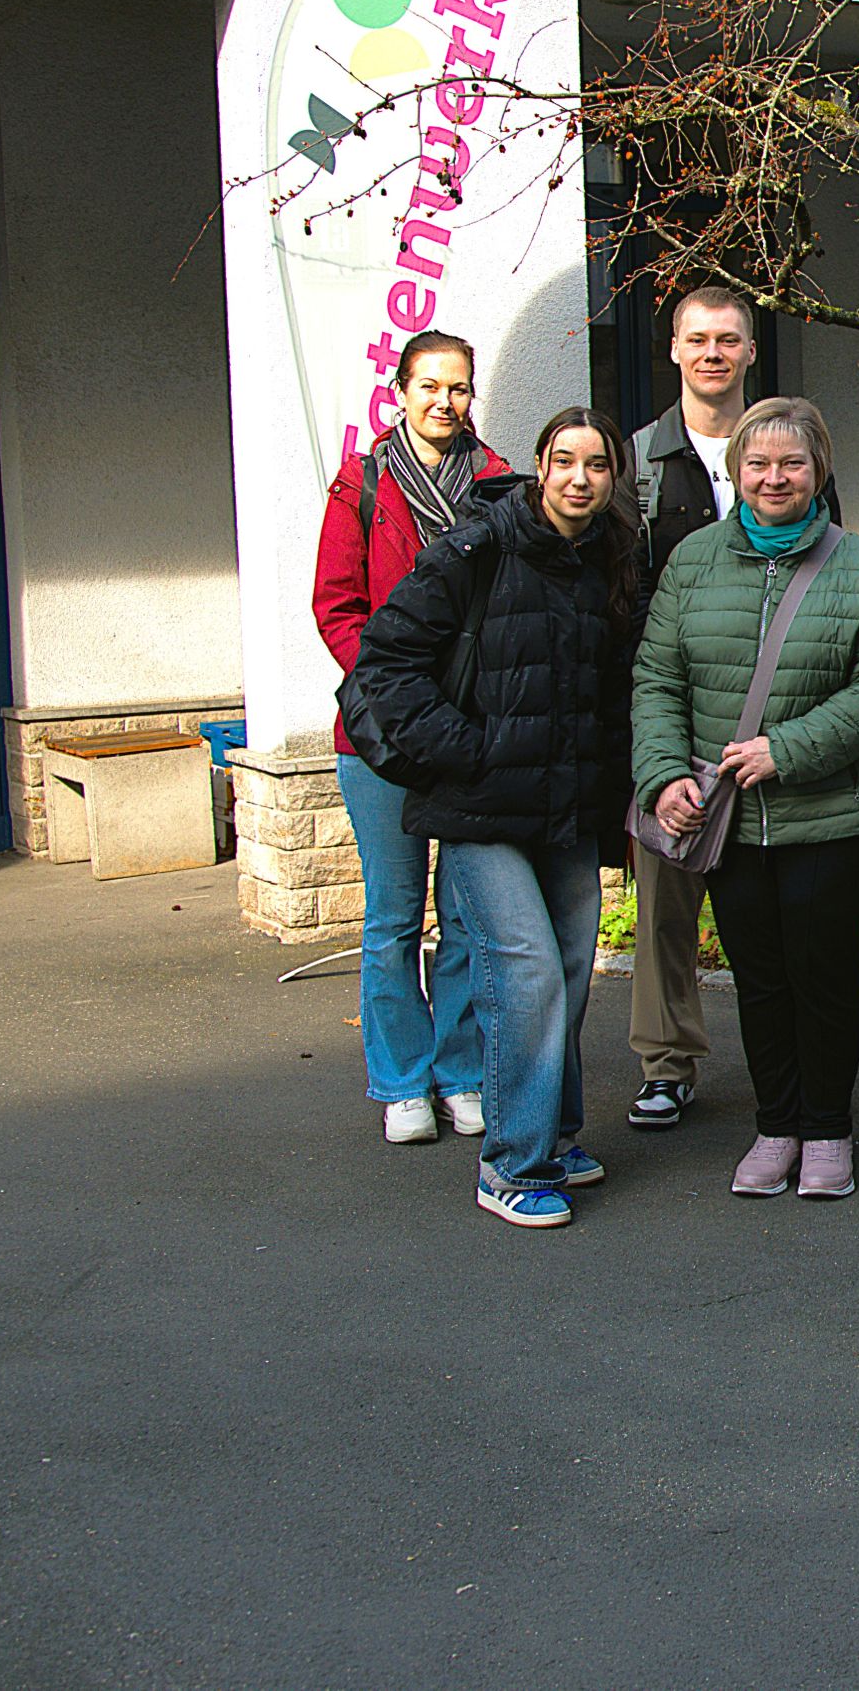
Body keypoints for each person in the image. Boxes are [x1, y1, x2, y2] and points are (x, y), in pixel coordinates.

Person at [349, 408, 646, 1228]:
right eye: (565, 461)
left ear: (613, 477)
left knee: (572, 971)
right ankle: (513, 1163)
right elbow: (385, 656)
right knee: (526, 972)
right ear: (540, 468)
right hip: (480, 810)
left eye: (597, 464)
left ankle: (555, 1131)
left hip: (566, 809)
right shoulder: (477, 547)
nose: (580, 478)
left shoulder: (613, 558)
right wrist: (463, 750)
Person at [635, 397, 859, 1202]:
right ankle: (775, 1123)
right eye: (758, 463)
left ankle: (827, 1127)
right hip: (725, 817)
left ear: (819, 470)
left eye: (792, 462)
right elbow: (658, 678)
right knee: (758, 978)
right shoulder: (693, 560)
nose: (774, 477)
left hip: (832, 815)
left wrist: (784, 750)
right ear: (737, 471)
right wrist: (663, 775)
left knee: (823, 975)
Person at [310, 330, 510, 1147]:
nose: (444, 401)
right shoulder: (360, 485)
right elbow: (336, 605)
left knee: (463, 915)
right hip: (382, 735)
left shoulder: (497, 485)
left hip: (466, 731)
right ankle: (400, 1080)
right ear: (400, 391)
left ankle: (460, 1072)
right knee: (393, 916)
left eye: (457, 387)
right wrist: (399, 687)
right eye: (429, 385)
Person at [622, 285, 756, 1133]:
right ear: (673, 348)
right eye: (697, 338)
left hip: (770, 718)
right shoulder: (636, 461)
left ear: (750, 352)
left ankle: (788, 1067)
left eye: (728, 339)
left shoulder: (785, 444)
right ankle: (666, 1064)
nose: (713, 353)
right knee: (665, 907)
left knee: (767, 910)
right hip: (671, 715)